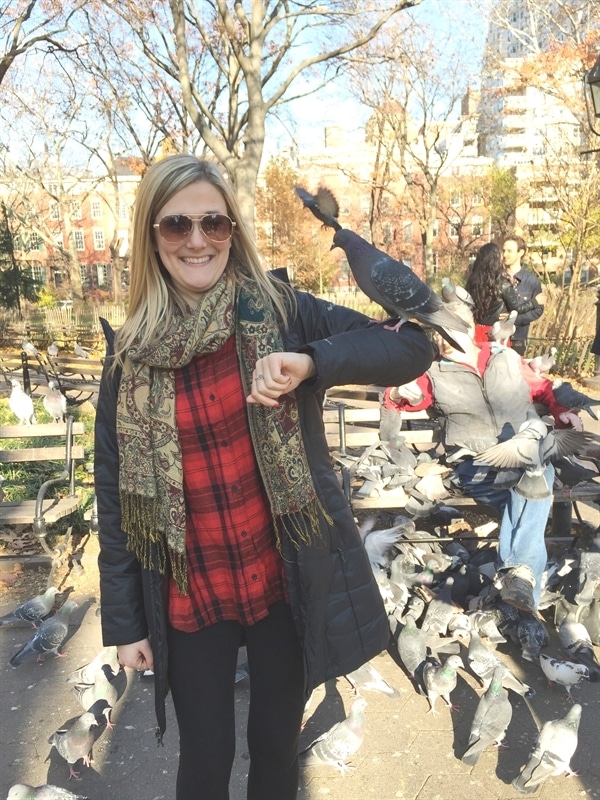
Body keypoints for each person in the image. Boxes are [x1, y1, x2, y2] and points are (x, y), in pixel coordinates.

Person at [94, 154, 434, 800]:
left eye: (214, 224)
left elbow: (413, 346)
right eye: (177, 226)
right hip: (193, 594)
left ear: (232, 231)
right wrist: (126, 622)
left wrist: (311, 362)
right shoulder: (128, 356)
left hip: (280, 581)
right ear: (151, 235)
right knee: (206, 758)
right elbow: (112, 498)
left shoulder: (277, 311)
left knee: (276, 749)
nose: (198, 241)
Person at [382, 299, 581, 615]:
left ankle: (518, 577)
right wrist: (397, 393)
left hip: (522, 457)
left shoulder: (507, 358)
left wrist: (563, 412)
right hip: (476, 465)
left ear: (469, 328)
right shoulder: (432, 371)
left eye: (446, 331)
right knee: (536, 489)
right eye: (436, 332)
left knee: (537, 469)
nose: (440, 340)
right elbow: (400, 398)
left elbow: (545, 393)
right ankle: (522, 578)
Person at [465, 241, 545, 347]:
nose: (504, 255)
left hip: (477, 330)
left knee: (479, 362)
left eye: (509, 251)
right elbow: (517, 308)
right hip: (497, 333)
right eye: (502, 253)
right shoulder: (502, 283)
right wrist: (535, 302)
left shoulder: (473, 282)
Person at [502, 235, 545, 355]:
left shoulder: (531, 281)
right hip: (495, 338)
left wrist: (513, 320)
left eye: (509, 251)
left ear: (521, 252)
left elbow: (538, 309)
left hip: (518, 339)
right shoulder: (496, 278)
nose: (505, 254)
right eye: (503, 250)